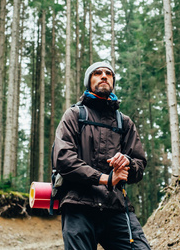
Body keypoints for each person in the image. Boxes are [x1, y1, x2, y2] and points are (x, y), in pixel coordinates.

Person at [53, 61, 151, 250]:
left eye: (109, 73)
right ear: (89, 81)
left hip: (115, 206)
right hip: (77, 204)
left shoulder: (125, 123)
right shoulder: (74, 115)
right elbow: (64, 159)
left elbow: (139, 165)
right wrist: (105, 179)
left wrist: (127, 163)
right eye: (97, 73)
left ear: (113, 81)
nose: (104, 76)